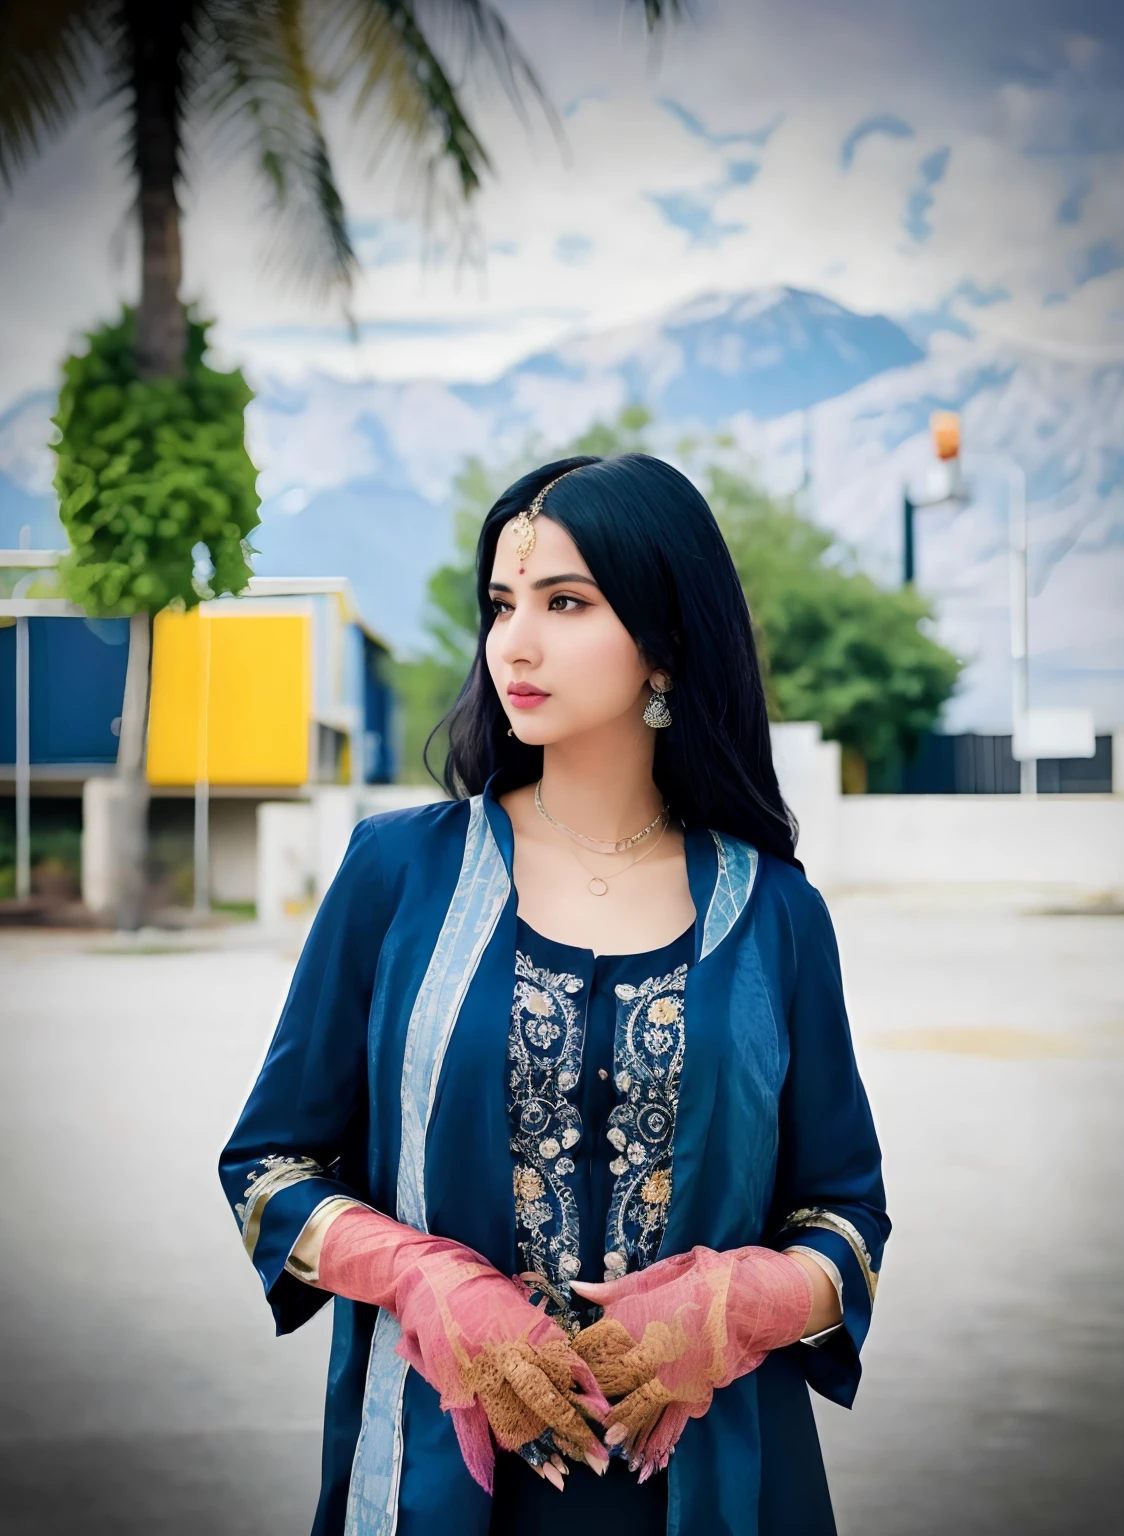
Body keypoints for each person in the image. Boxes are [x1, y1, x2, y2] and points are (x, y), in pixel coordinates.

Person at [220, 453, 890, 1536]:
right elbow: (268, 1170)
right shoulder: (399, 876)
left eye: (565, 603)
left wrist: (740, 1302)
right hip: (439, 1474)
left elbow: (843, 1218)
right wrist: (425, 1282)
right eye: (500, 605)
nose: (513, 644)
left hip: (715, 1483)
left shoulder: (773, 914)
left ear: (665, 643)